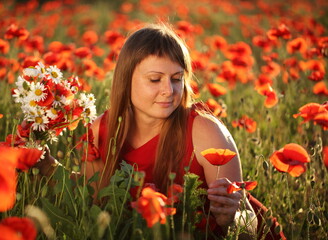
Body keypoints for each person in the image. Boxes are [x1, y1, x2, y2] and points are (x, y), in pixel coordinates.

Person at [39, 23, 285, 240]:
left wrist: (230, 218)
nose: (169, 90)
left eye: (177, 79)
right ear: (126, 80)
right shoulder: (102, 129)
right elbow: (90, 197)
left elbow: (248, 226)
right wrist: (45, 165)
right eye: (155, 79)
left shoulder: (205, 132)